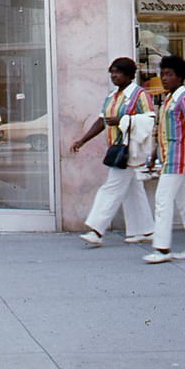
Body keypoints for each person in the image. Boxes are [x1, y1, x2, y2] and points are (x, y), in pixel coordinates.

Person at [70, 57, 155, 246]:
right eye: (112, 72)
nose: (114, 76)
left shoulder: (140, 95)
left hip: (130, 150)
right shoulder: (112, 96)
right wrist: (82, 140)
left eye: (118, 72)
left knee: (111, 188)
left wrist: (123, 120)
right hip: (117, 148)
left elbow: (149, 120)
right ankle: (144, 230)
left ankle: (96, 230)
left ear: (129, 75)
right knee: (134, 190)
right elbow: (102, 121)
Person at [143, 55, 185, 263]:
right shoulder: (168, 99)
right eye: (162, 74)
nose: (164, 78)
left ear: (180, 77)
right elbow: (163, 131)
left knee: (162, 201)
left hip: (179, 159)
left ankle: (162, 249)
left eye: (169, 74)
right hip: (169, 158)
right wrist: (154, 155)